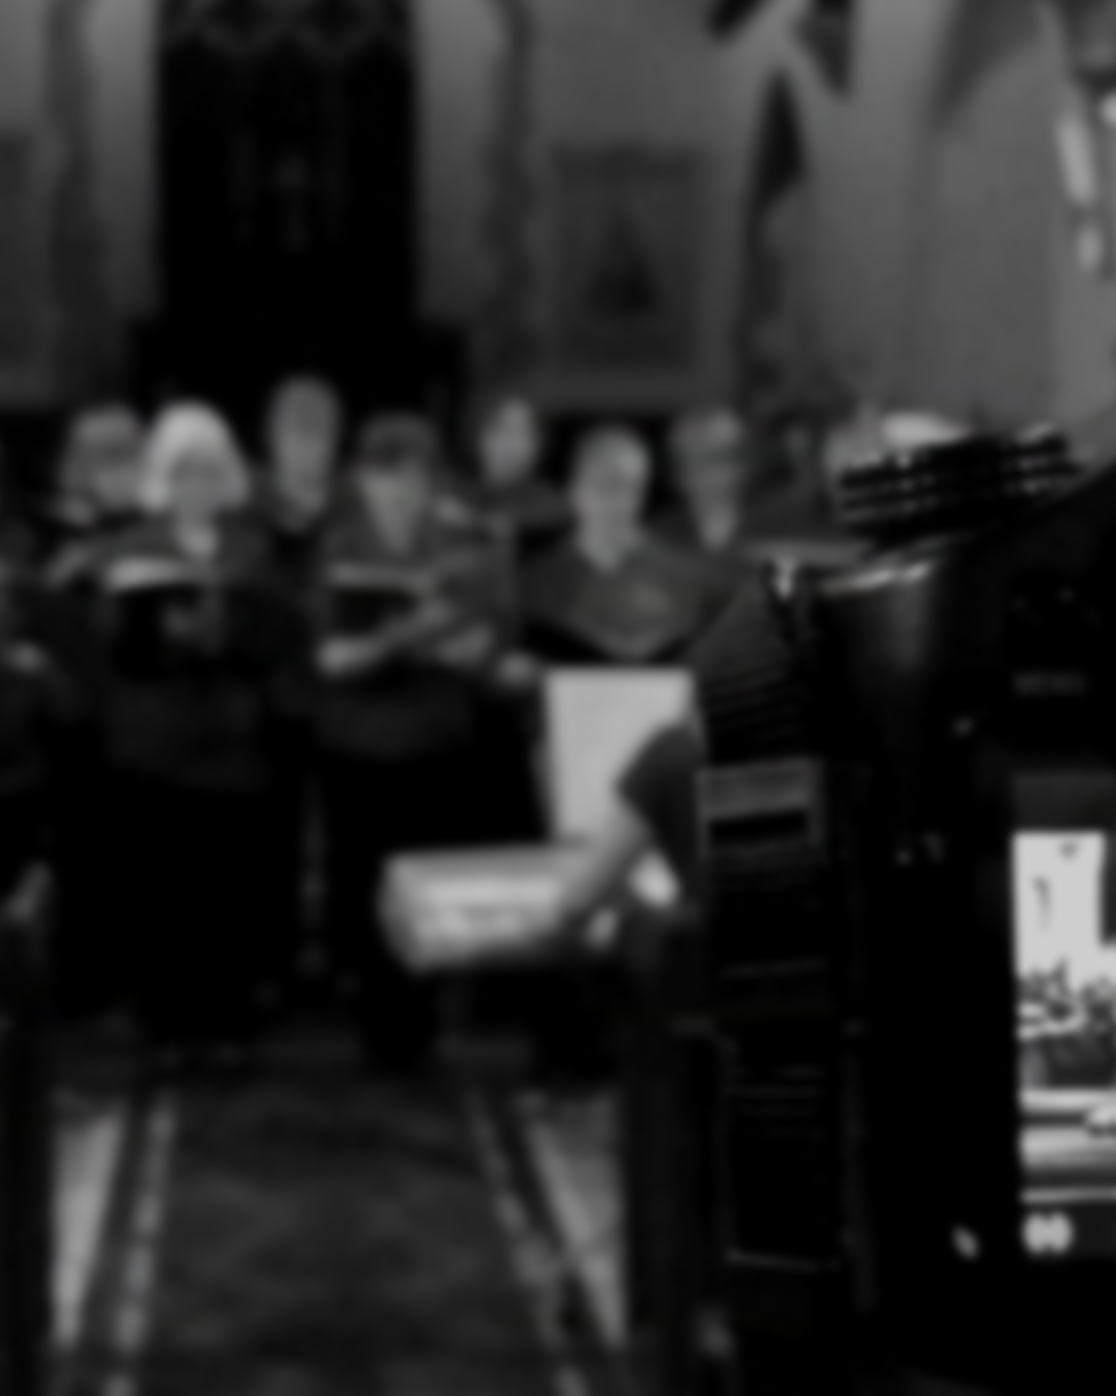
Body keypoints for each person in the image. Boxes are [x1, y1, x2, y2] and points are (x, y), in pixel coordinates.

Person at [70, 403, 305, 1079]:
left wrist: (232, 632)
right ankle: (167, 1023)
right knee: (161, 889)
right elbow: (99, 644)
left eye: (209, 470)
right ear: (162, 479)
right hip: (155, 739)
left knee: (228, 890)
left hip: (232, 741)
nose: (196, 484)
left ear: (226, 476)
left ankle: (228, 1021)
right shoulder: (126, 549)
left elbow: (280, 636)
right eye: (183, 471)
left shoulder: (251, 549)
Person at [312, 414, 517, 1072]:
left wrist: (470, 648)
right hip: (361, 745)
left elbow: (494, 642)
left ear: (432, 481)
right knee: (364, 890)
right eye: (385, 476)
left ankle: (424, 1023)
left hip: (437, 741)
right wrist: (402, 636)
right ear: (363, 482)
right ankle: (377, 1025)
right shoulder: (339, 548)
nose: (400, 490)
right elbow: (329, 658)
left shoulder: (465, 546)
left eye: (413, 476)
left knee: (431, 885)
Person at [253, 376, 346, 1005]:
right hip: (271, 698)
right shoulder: (248, 509)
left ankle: (338, 960)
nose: (307, 448)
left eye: (320, 434)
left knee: (341, 834)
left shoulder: (351, 511)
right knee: (272, 836)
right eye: (296, 433)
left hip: (344, 697)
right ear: (273, 438)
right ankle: (274, 961)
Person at [522, 426, 726, 666]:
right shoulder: (534, 580)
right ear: (575, 488)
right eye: (604, 485)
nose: (618, 502)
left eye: (630, 487)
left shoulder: (686, 578)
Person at [654, 407, 760, 597]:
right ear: (679, 471)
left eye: (726, 456)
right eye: (704, 459)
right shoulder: (656, 540)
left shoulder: (775, 535)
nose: (720, 471)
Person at [458, 392, 569, 563]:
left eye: (525, 433)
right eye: (502, 429)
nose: (513, 445)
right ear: (478, 435)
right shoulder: (455, 499)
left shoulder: (554, 508)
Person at [35, 407, 145, 566]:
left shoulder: (155, 525)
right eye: (110, 462)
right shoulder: (66, 528)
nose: (121, 475)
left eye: (129, 459)